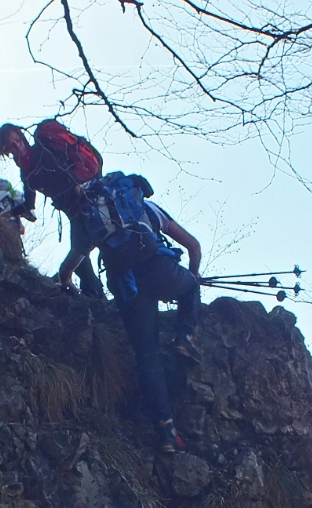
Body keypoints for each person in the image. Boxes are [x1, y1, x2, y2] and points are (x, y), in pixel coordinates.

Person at [56, 182, 203, 454]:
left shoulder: (91, 218)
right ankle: (184, 337)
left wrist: (65, 281)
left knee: (147, 356)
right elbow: (193, 246)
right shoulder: (145, 208)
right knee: (191, 287)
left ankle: (167, 432)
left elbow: (71, 262)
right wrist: (191, 275)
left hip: (126, 285)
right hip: (158, 268)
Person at [0, 120, 104, 298]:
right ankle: (93, 296)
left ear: (22, 137)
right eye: (11, 146)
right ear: (6, 152)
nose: (17, 146)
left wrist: (76, 189)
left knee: (82, 251)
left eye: (18, 141)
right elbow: (29, 205)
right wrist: (9, 214)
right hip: (75, 209)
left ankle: (93, 297)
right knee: (83, 252)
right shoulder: (27, 172)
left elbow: (65, 175)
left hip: (83, 203)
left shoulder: (41, 151)